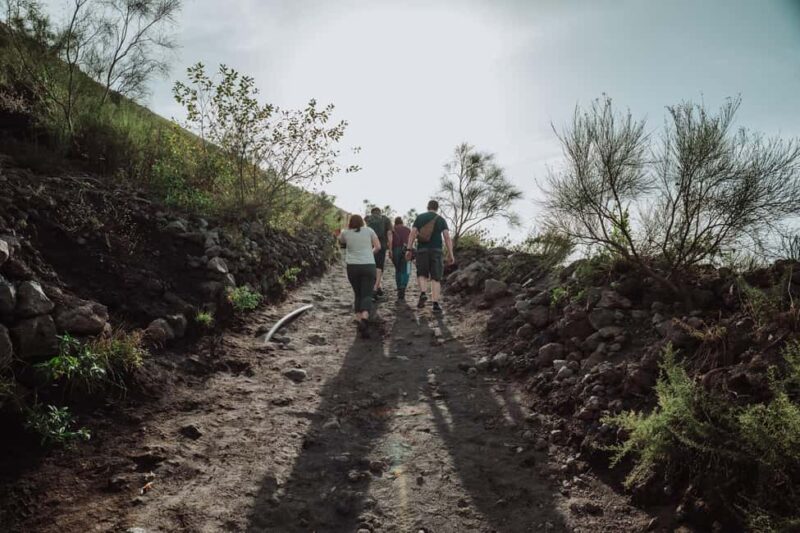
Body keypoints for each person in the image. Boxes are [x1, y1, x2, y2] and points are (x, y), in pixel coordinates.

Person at [406, 200, 454, 314]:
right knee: (435, 277)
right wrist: (451, 253)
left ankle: (423, 293)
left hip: (422, 250)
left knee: (421, 274)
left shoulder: (420, 217)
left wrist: (409, 249)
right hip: (437, 250)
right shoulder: (441, 220)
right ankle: (435, 304)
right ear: (437, 208)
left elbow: (412, 233)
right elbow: (447, 237)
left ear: (427, 207)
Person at [339, 214, 381, 338]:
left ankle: (359, 321)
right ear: (362, 222)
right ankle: (364, 318)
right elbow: (378, 247)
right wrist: (369, 253)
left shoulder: (345, 233)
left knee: (358, 293)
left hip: (353, 267)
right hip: (368, 265)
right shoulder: (369, 231)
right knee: (367, 294)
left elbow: (341, 242)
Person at [365, 207, 393, 299]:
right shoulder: (385, 219)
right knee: (379, 267)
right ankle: (375, 289)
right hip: (381, 246)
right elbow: (389, 234)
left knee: (370, 266)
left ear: (372, 212)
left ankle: (377, 287)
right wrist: (390, 248)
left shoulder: (368, 219)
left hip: (369, 246)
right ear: (380, 212)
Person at [391, 216, 411, 300]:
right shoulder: (407, 229)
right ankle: (403, 286)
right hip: (406, 249)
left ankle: (399, 287)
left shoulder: (392, 230)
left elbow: (390, 240)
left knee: (398, 269)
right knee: (407, 269)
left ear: (395, 222)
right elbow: (411, 240)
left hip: (395, 250)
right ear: (402, 222)